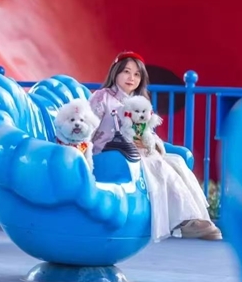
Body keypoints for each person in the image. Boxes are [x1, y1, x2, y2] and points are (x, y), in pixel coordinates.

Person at [89, 51, 222, 242]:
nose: (131, 78)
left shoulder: (139, 101)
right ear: (115, 72)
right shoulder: (102, 97)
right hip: (110, 152)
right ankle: (182, 222)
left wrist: (152, 145)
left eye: (137, 74)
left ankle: (195, 217)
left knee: (176, 161)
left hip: (137, 151)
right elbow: (88, 128)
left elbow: (150, 133)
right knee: (157, 165)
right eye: (126, 71)